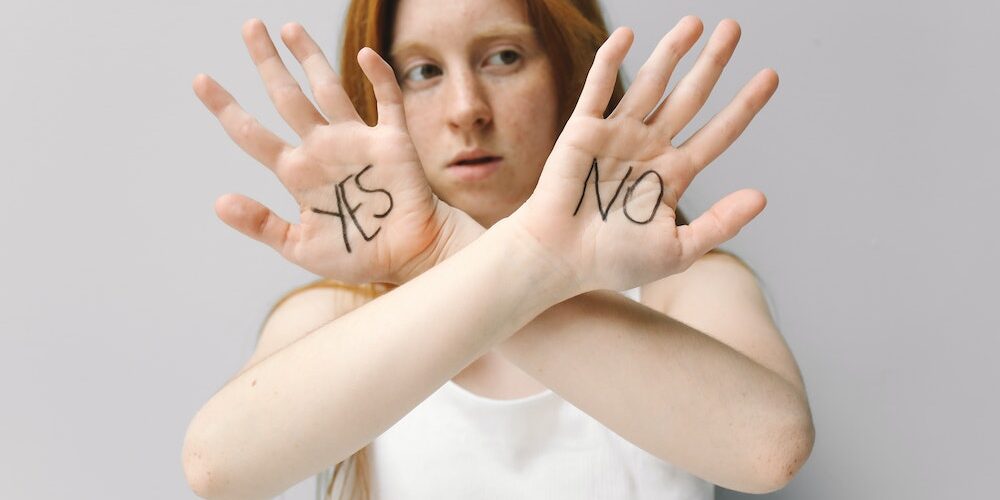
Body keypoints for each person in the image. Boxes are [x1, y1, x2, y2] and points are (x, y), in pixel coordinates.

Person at [182, 0, 815, 498]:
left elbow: (769, 449)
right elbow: (217, 466)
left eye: (504, 57)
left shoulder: (686, 286)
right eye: (423, 71)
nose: (467, 109)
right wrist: (495, 257)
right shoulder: (337, 312)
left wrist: (451, 253)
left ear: (566, 70)